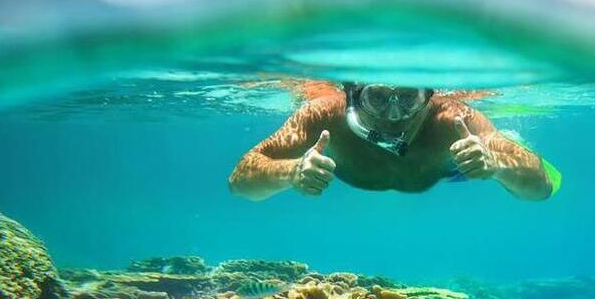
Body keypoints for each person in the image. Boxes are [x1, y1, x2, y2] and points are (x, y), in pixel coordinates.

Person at [229, 81, 559, 201]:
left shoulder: (453, 120)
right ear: (353, 95)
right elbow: (240, 179)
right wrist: (291, 172)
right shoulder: (321, 116)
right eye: (377, 99)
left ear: (429, 96)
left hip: (456, 166)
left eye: (407, 98)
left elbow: (542, 188)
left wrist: (497, 163)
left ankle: (506, 142)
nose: (393, 114)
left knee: (504, 149)